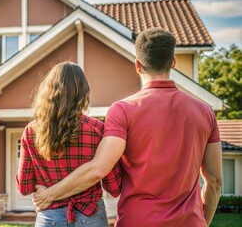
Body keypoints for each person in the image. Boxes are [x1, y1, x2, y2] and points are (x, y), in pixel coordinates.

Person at [33, 28, 222, 227]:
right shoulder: (205, 112)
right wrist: (202, 221)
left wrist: (49, 195)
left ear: (138, 66)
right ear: (173, 62)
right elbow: (215, 181)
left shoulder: (122, 110)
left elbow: (98, 169)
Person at [16, 62, 122, 227]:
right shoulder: (98, 129)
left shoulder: (31, 131)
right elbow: (114, 186)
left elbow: (24, 186)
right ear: (83, 93)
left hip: (50, 216)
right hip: (90, 215)